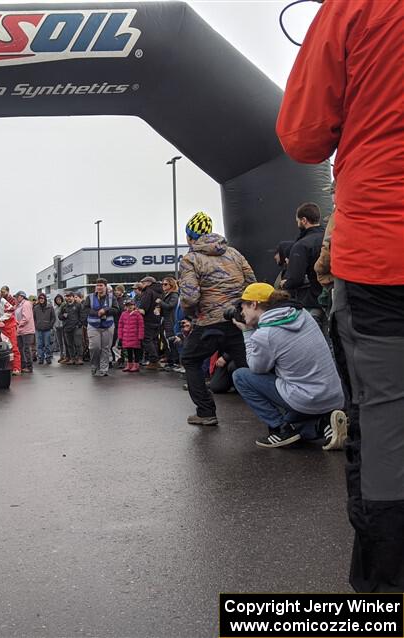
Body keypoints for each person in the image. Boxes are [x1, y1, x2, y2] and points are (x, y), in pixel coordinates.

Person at [277, 0, 404, 592]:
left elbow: (303, 137)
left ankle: (385, 602)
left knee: (386, 431)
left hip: (385, 254)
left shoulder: (355, 7)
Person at [230, 283, 346, 449]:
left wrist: (247, 332)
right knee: (294, 418)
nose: (241, 313)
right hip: (334, 395)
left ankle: (281, 429)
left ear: (254, 304)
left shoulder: (265, 334)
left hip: (307, 398)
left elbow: (257, 368)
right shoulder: (302, 313)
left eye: (243, 307)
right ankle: (325, 424)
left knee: (241, 376)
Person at [179, 211, 256, 426]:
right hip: (237, 321)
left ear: (190, 236)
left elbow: (190, 296)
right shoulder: (234, 253)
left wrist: (191, 314)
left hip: (209, 323)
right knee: (247, 366)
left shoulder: (190, 259)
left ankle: (205, 412)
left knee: (191, 360)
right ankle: (274, 416)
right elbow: (252, 282)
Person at [281, 202, 326, 334]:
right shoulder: (330, 237)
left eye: (298, 221)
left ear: (304, 220)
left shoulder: (302, 245)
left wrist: (285, 283)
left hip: (313, 301)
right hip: (335, 296)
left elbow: (295, 279)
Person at [82, 278, 120, 377]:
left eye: (101, 285)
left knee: (105, 348)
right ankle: (94, 365)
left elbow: (116, 310)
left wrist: (105, 310)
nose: (99, 287)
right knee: (95, 347)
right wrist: (97, 313)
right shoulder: (89, 297)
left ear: (105, 287)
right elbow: (85, 309)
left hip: (108, 326)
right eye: (97, 285)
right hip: (93, 326)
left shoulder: (112, 298)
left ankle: (104, 369)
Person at [137, 276, 163, 369]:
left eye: (142, 283)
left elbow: (144, 307)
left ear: (148, 283)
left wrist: (139, 310)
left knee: (147, 340)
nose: (141, 285)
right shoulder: (159, 291)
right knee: (154, 340)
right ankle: (156, 360)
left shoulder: (148, 291)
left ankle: (153, 360)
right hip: (157, 318)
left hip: (148, 319)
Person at [158, 277, 180, 369]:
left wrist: (161, 302)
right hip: (165, 320)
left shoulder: (174, 295)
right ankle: (171, 360)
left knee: (171, 341)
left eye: (165, 284)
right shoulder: (166, 294)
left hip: (170, 320)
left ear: (172, 285)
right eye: (162, 284)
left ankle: (174, 362)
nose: (163, 286)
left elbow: (171, 306)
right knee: (166, 341)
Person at [118, 299, 144, 372]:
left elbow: (141, 326)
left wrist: (140, 337)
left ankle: (136, 365)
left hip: (135, 337)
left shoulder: (138, 315)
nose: (129, 307)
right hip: (126, 336)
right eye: (128, 305)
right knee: (128, 351)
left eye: (131, 305)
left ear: (134, 306)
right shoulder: (123, 314)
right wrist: (120, 337)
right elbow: (120, 325)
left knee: (136, 352)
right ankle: (129, 365)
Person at [14, 291, 35, 373]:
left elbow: (26, 318)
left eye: (17, 296)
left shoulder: (26, 304)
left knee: (26, 349)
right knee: (20, 349)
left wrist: (18, 325)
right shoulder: (19, 305)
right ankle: (23, 366)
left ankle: (29, 367)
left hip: (27, 330)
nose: (16, 298)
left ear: (22, 296)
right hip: (20, 330)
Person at [60, 291, 83, 365]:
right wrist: (63, 316)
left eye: (70, 296)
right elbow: (59, 316)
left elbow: (82, 315)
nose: (68, 298)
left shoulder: (78, 305)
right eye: (67, 296)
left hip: (76, 327)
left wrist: (79, 324)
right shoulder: (64, 306)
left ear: (73, 297)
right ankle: (72, 358)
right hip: (67, 327)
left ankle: (79, 358)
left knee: (78, 343)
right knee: (69, 344)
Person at [33, 293, 55, 364]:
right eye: (40, 298)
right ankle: (41, 358)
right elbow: (33, 318)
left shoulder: (50, 307)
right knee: (39, 345)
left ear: (45, 299)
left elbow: (53, 317)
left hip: (47, 329)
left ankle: (48, 357)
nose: (41, 300)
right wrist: (36, 325)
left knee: (47, 344)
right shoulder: (36, 308)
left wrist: (50, 325)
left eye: (42, 298)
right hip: (38, 329)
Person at [53, 294, 67, 363]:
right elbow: (54, 318)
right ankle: (61, 355)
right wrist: (54, 326)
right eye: (57, 300)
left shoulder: (64, 306)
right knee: (60, 343)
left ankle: (65, 356)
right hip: (57, 327)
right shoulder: (55, 308)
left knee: (64, 342)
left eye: (59, 299)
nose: (58, 301)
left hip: (63, 326)